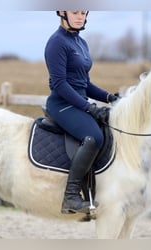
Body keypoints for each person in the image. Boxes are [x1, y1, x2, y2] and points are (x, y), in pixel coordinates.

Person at [44, 11, 118, 214]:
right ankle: (71, 197)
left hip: (77, 102)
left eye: (83, 12)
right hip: (61, 103)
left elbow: (84, 84)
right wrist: (89, 107)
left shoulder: (81, 43)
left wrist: (110, 97)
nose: (80, 16)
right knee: (93, 137)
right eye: (75, 12)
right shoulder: (56, 43)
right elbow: (60, 84)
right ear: (62, 13)